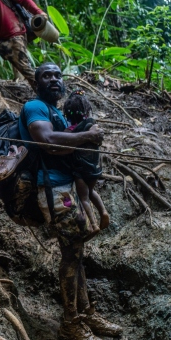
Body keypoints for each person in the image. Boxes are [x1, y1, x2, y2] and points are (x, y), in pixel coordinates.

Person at [19, 63, 121, 340]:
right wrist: (86, 137)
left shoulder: (59, 113)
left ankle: (86, 313)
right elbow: (47, 141)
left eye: (57, 75)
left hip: (68, 187)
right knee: (71, 253)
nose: (54, 79)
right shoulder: (35, 107)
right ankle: (70, 322)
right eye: (46, 76)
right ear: (37, 82)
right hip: (54, 188)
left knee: (76, 252)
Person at [63, 90, 109, 233]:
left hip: (80, 172)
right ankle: (103, 212)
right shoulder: (92, 126)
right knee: (91, 191)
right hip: (94, 168)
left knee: (83, 198)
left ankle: (94, 225)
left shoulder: (69, 132)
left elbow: (60, 141)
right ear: (86, 110)